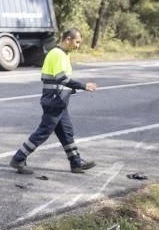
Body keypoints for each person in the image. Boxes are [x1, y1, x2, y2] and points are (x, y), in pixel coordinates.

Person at [9, 28, 98, 175]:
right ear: (68, 39)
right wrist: (83, 86)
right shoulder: (57, 54)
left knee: (67, 133)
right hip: (54, 102)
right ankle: (19, 158)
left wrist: (76, 90)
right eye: (77, 42)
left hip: (59, 102)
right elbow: (62, 79)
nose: (78, 46)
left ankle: (76, 163)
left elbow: (61, 84)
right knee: (43, 132)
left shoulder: (63, 54)